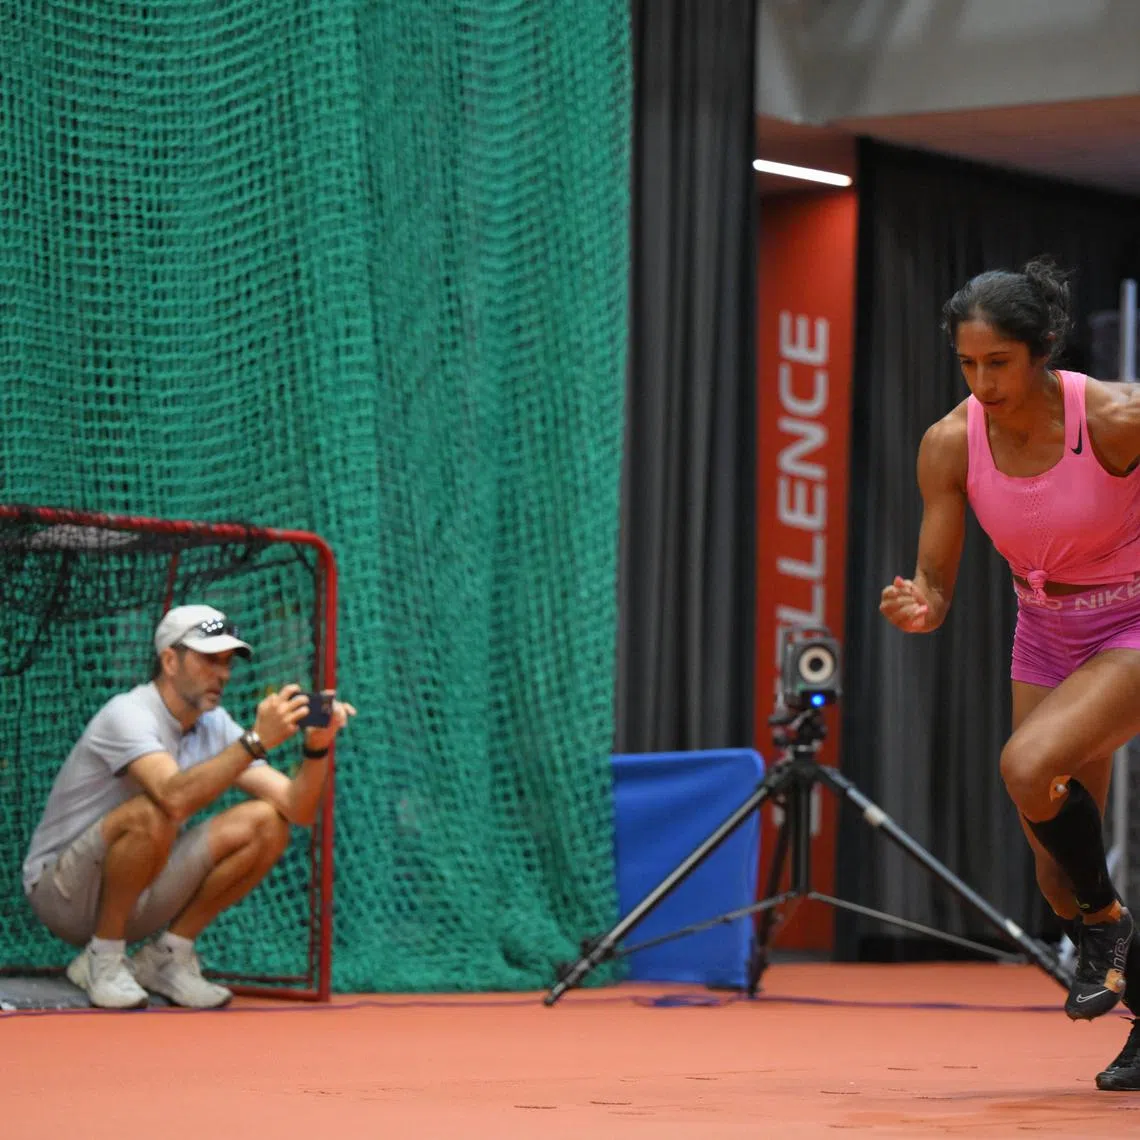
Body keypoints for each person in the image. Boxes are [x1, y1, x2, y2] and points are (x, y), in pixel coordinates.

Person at [880, 256, 1140, 1091]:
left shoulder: (1112, 418)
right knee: (1054, 875)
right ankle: (1122, 973)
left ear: (1043, 351)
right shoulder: (950, 443)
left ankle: (1108, 929)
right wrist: (921, 604)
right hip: (1044, 630)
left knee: (1027, 765)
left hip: (1132, 616)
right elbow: (937, 580)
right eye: (968, 363)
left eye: (999, 362)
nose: (982, 381)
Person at [21, 604, 356, 1010]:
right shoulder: (127, 713)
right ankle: (102, 959)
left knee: (268, 822)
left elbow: (296, 809)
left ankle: (168, 957)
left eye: (227, 662)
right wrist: (256, 740)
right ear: (169, 660)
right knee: (157, 810)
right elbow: (174, 797)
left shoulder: (215, 724)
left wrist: (316, 749)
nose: (224, 674)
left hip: (138, 893)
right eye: (209, 660)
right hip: (63, 894)